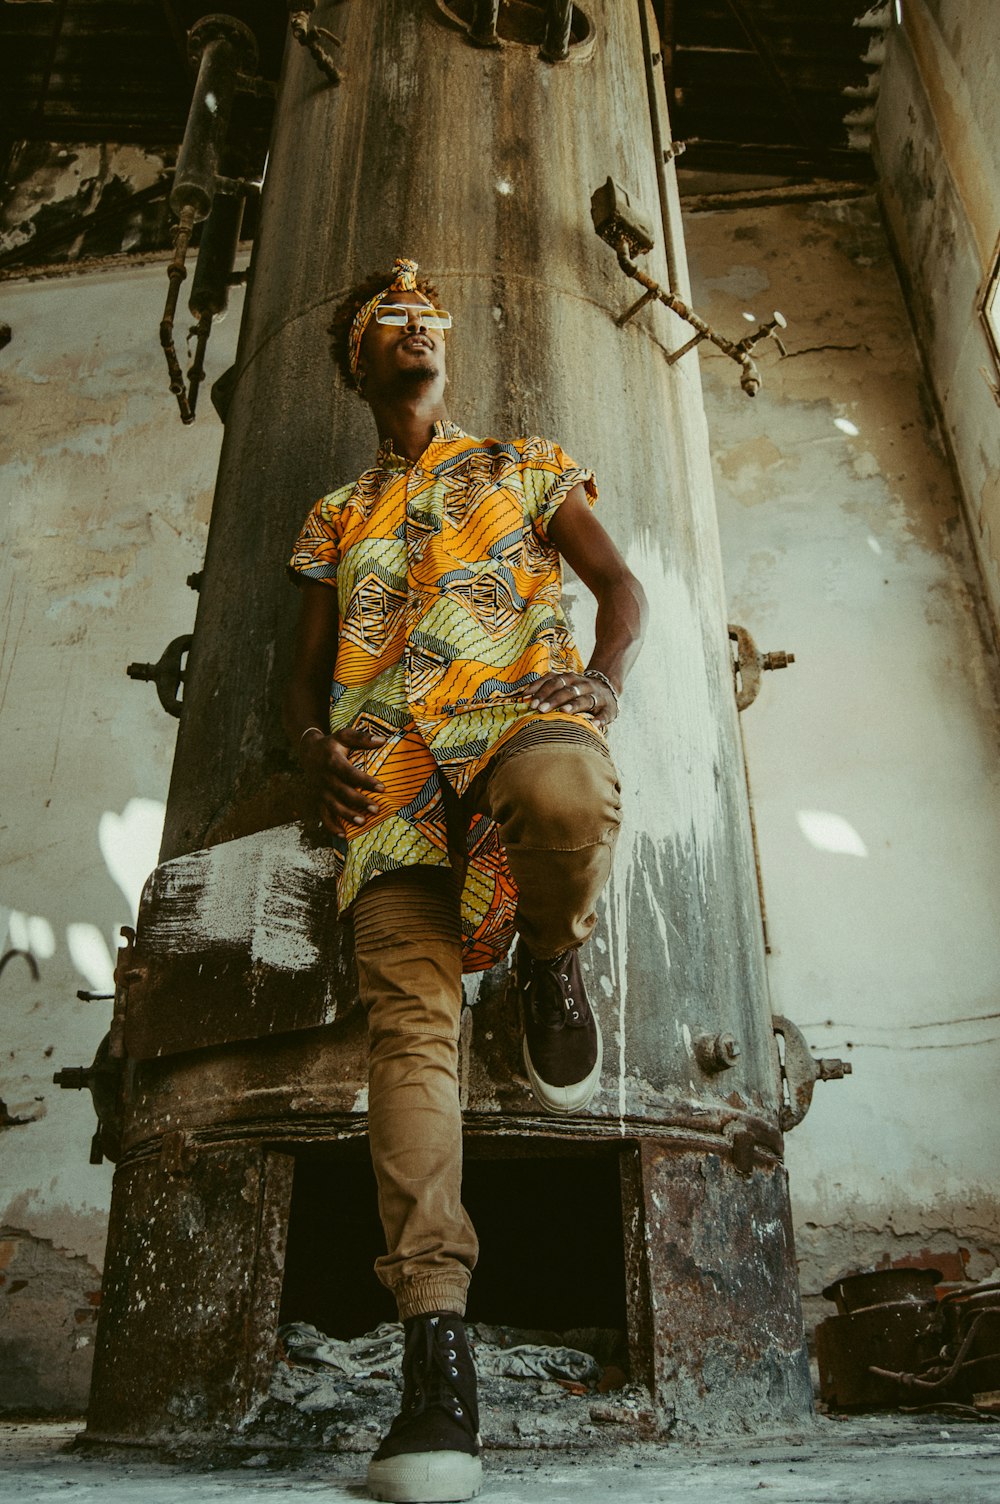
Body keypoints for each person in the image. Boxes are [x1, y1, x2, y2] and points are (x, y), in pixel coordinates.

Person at [284, 258, 647, 1503]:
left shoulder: (527, 464)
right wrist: (307, 751)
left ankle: (552, 952)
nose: (415, 329)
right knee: (409, 1037)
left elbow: (619, 585)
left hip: (511, 717)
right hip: (384, 781)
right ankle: (436, 1368)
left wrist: (604, 676)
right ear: (358, 361)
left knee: (567, 798)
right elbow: (307, 673)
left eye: (427, 318)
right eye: (391, 322)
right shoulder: (337, 513)